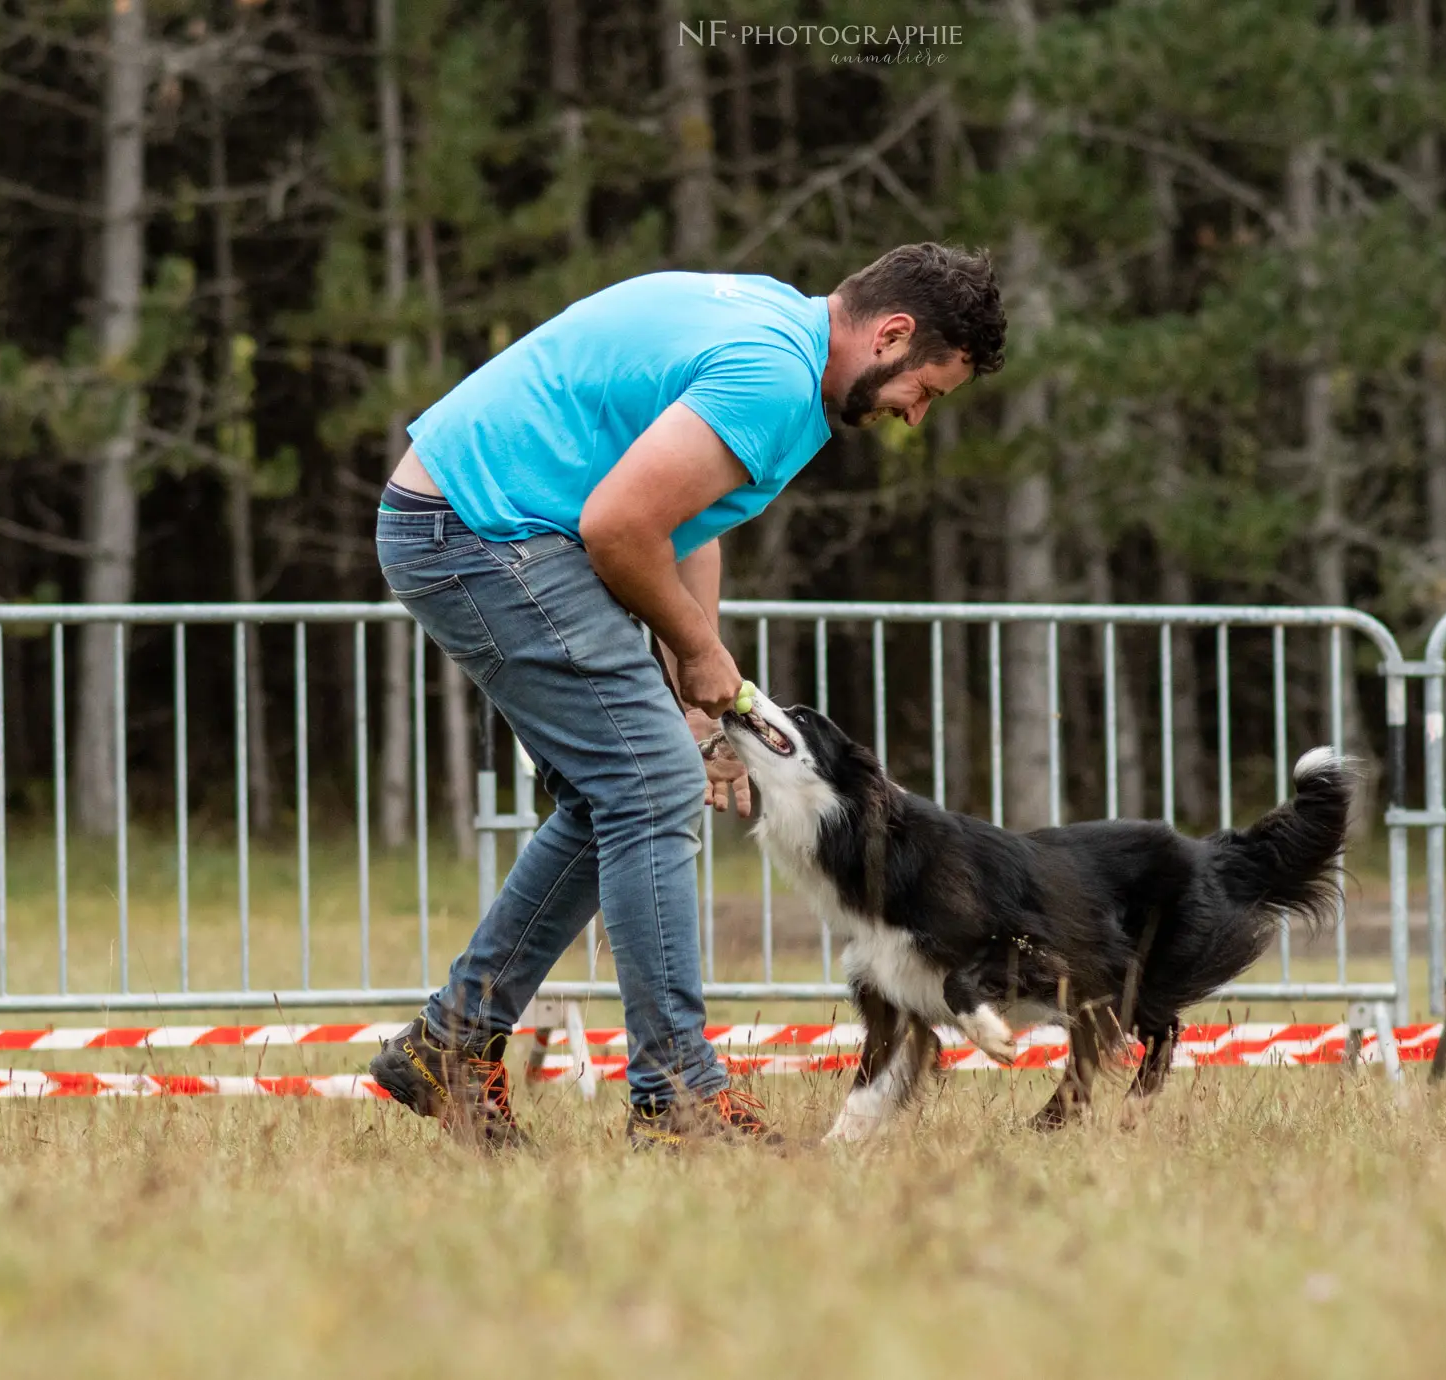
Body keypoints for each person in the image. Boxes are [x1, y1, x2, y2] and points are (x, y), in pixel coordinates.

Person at [369, 243, 1005, 1148]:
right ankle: (677, 1095)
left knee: (619, 794)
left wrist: (698, 703)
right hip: (481, 530)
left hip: (475, 521)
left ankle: (450, 1045)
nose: (914, 415)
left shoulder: (774, 326)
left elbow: (680, 520)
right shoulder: (772, 375)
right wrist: (700, 653)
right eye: (928, 390)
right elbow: (620, 527)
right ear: (892, 334)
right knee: (652, 788)